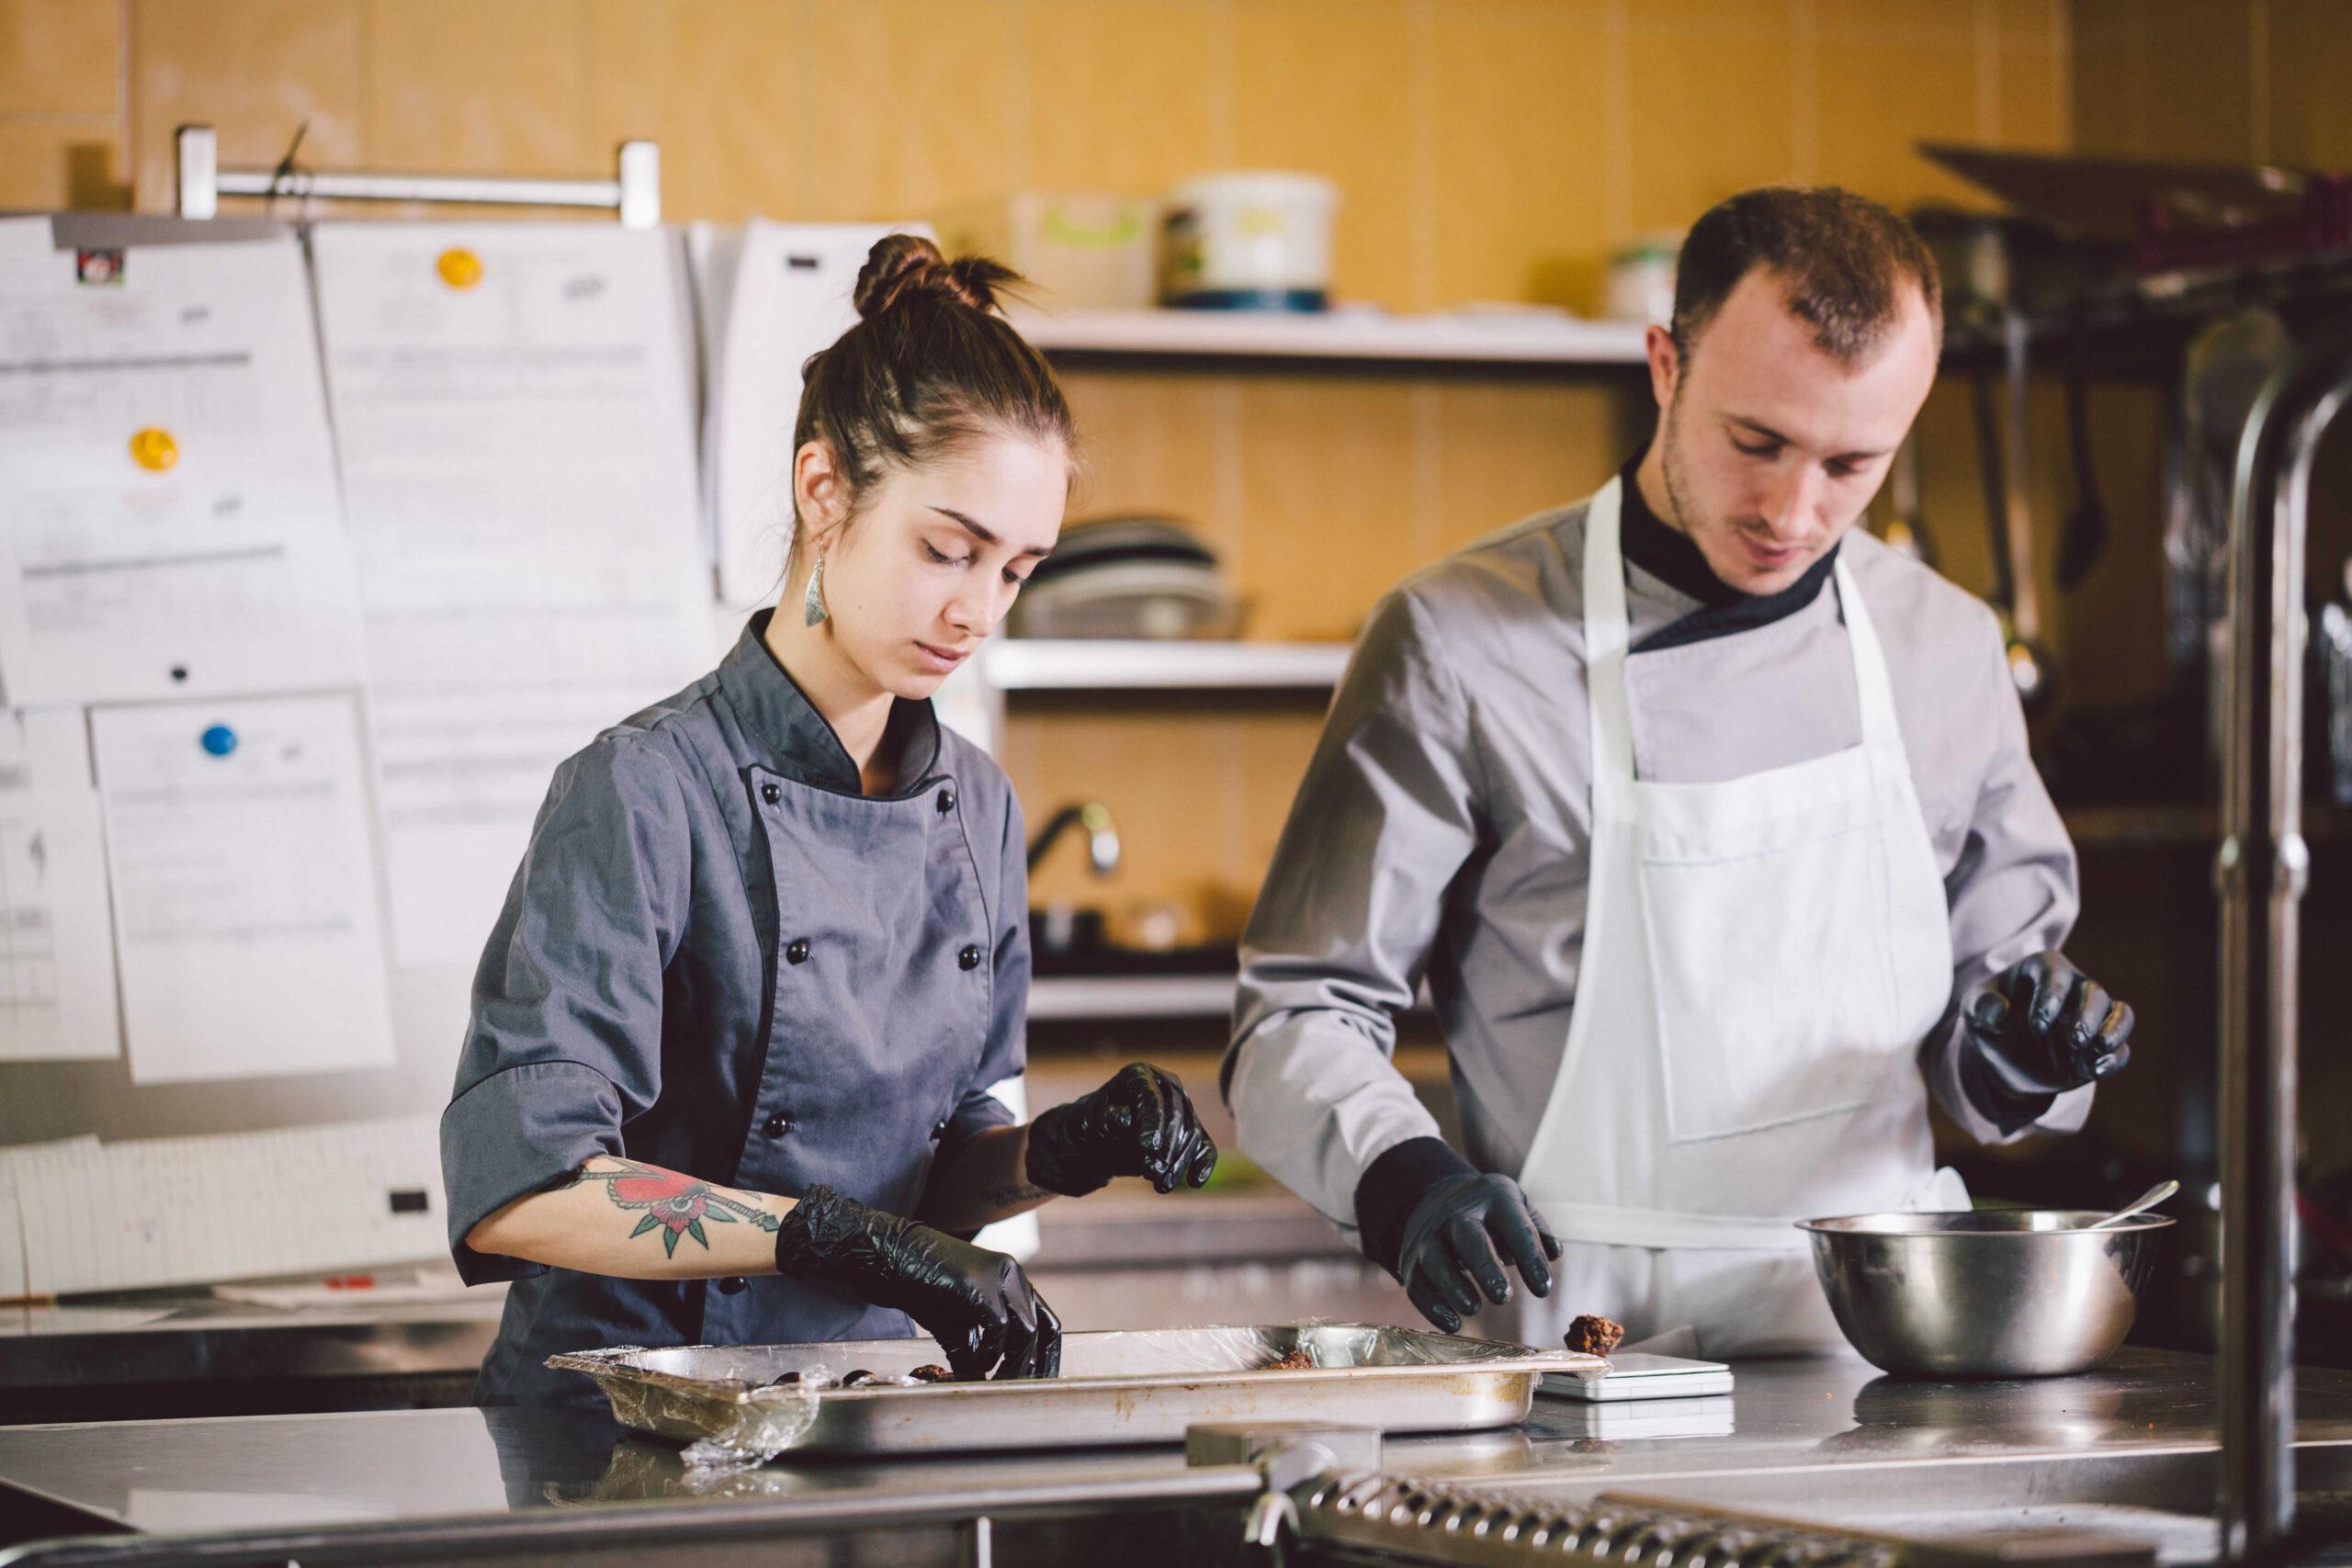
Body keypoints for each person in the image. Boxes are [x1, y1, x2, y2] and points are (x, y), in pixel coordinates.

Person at [1224, 187, 2135, 1358]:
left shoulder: (1944, 649)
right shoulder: (1459, 640)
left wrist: (2023, 1051)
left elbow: (1989, 1027)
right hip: (1578, 1354)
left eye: (1853, 464)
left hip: (1891, 1355)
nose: (1793, 512)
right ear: (1664, 367)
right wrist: (1401, 1175)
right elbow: (1296, 1014)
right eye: (1754, 443)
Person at [444, 235, 1218, 1407]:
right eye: (947, 549)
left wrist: (1056, 1152)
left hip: (852, 1408)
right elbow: (524, 1193)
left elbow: (934, 1187)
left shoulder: (979, 809)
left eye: (1015, 570)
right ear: (824, 491)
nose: (975, 613)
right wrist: (836, 1237)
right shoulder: (644, 791)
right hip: (617, 1432)